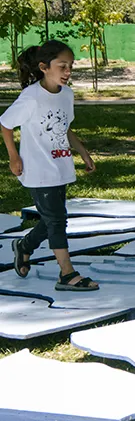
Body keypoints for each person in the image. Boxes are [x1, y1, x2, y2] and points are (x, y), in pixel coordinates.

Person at [1, 41, 99, 291]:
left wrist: (83, 152)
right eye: (62, 66)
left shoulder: (67, 95)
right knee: (56, 221)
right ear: (44, 67)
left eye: (71, 67)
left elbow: (65, 128)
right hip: (37, 168)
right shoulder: (31, 97)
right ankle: (67, 273)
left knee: (53, 218)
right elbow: (6, 124)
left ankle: (24, 246)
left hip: (59, 165)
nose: (68, 72)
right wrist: (14, 157)